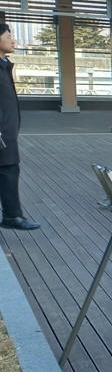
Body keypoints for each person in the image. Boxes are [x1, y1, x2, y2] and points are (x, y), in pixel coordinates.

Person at [0, 23, 40, 230]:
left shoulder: (4, 64)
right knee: (8, 171)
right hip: (2, 135)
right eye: (9, 35)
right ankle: (12, 216)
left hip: (7, 133)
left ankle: (12, 216)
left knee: (9, 171)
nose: (13, 40)